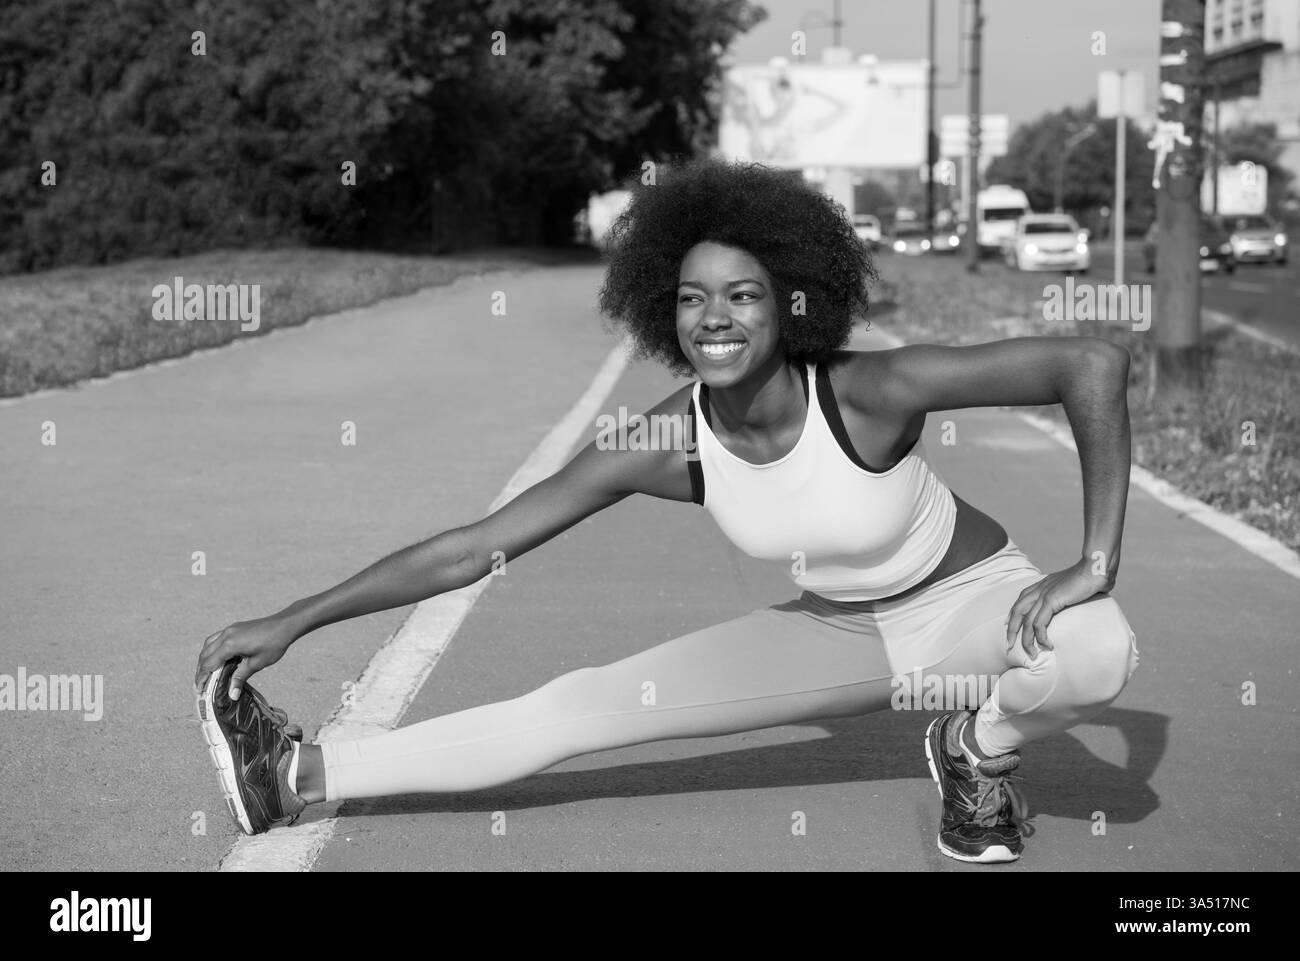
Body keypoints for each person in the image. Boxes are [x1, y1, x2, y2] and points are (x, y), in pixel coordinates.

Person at [195, 158, 1139, 864]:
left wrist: (1091, 562)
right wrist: (297, 619)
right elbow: (477, 549)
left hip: (979, 603)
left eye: (742, 294)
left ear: (792, 302)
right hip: (840, 635)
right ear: (665, 312)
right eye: (692, 299)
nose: (714, 318)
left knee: (1098, 650)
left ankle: (974, 748)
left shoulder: (869, 391)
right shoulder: (665, 441)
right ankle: (297, 772)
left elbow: (1088, 364)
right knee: (575, 710)